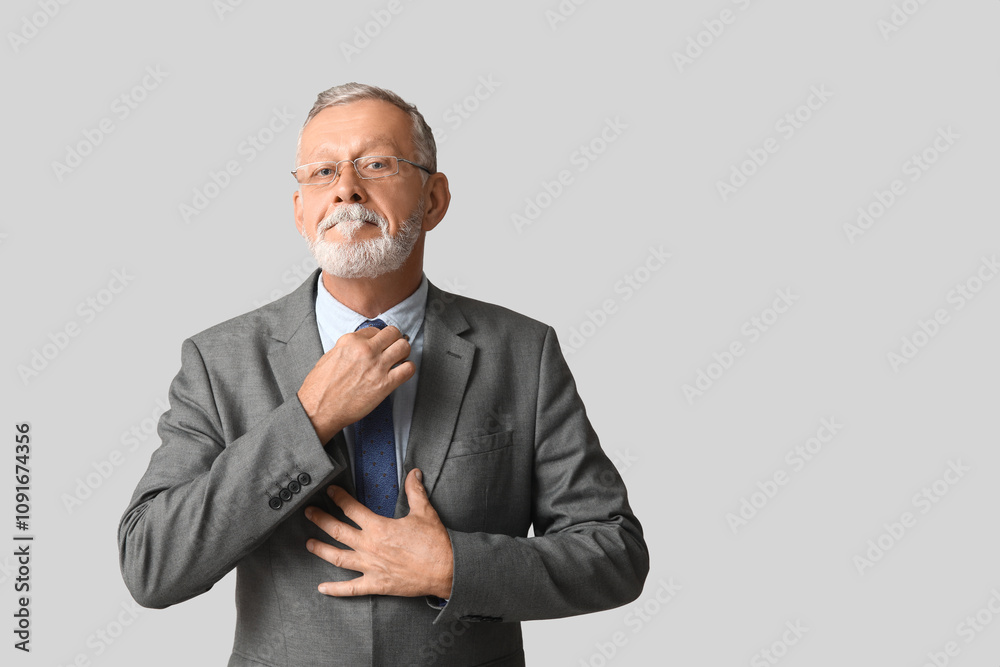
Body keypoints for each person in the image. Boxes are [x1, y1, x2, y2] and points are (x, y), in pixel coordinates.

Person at [118, 82, 649, 667]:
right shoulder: (219, 360)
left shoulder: (523, 352)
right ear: (300, 212)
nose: (345, 188)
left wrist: (451, 566)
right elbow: (151, 565)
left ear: (434, 199)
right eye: (322, 171)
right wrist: (309, 419)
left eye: (376, 164)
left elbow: (615, 553)